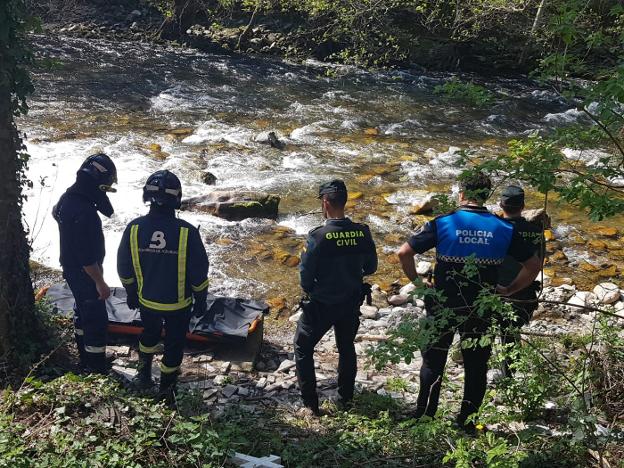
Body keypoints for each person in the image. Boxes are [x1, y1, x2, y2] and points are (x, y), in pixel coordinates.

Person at [397, 172, 541, 432]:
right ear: (487, 197)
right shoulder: (505, 228)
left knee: (433, 361)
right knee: (476, 365)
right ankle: (467, 422)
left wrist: (420, 286)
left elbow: (404, 252)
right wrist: (509, 289)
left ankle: (424, 417)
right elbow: (533, 265)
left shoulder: (443, 223)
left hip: (442, 304)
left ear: (461, 194)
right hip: (481, 306)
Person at [117, 170, 209, 402]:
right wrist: (201, 300)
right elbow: (199, 272)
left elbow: (123, 266)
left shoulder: (134, 228)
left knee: (149, 334)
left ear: (146, 197)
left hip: (146, 301)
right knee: (174, 345)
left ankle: (144, 375)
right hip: (178, 305)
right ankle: (167, 392)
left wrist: (130, 292)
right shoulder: (187, 232)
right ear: (177, 198)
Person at [294, 179, 378, 415]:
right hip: (350, 301)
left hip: (322, 303)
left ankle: (311, 404)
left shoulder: (318, 236)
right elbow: (371, 267)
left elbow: (305, 275)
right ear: (344, 202)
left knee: (302, 347)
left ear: (325, 202)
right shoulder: (362, 233)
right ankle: (345, 400)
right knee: (346, 347)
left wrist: (311, 289)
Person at [53, 153, 117, 374]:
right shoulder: (85, 212)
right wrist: (100, 282)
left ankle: (84, 357)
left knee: (82, 311)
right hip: (86, 272)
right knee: (95, 319)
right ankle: (96, 367)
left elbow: (56, 214)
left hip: (70, 269)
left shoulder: (67, 198)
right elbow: (86, 258)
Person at [497, 185, 545, 377]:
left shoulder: (494, 229)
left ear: (501, 205)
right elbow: (538, 263)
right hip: (523, 293)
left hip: (493, 291)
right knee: (510, 332)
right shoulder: (535, 232)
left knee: (488, 331)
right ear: (523, 206)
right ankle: (510, 374)